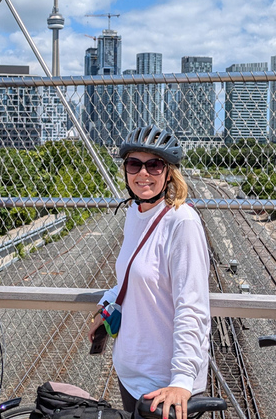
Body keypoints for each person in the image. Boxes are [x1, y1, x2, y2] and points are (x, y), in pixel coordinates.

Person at [88, 125, 210, 419]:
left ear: (169, 173)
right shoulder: (135, 212)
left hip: (164, 387)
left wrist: (181, 381)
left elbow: (192, 307)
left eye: (154, 165)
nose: (143, 173)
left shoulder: (183, 223)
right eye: (134, 164)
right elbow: (129, 276)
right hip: (130, 376)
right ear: (125, 170)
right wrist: (105, 307)